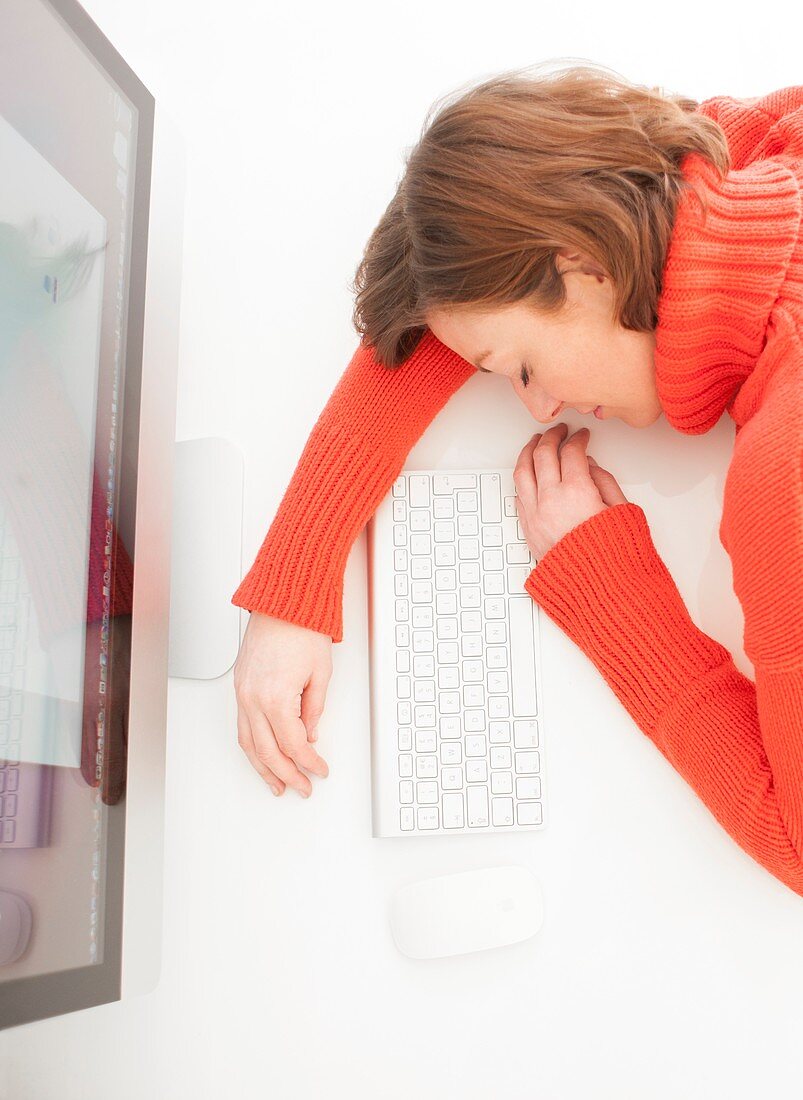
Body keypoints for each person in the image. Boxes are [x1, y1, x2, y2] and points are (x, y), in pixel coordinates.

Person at [230, 61, 803, 898]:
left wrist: (609, 590)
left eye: (523, 366)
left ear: (582, 262)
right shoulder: (756, 147)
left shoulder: (782, 485)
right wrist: (295, 581)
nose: (536, 408)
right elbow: (457, 294)